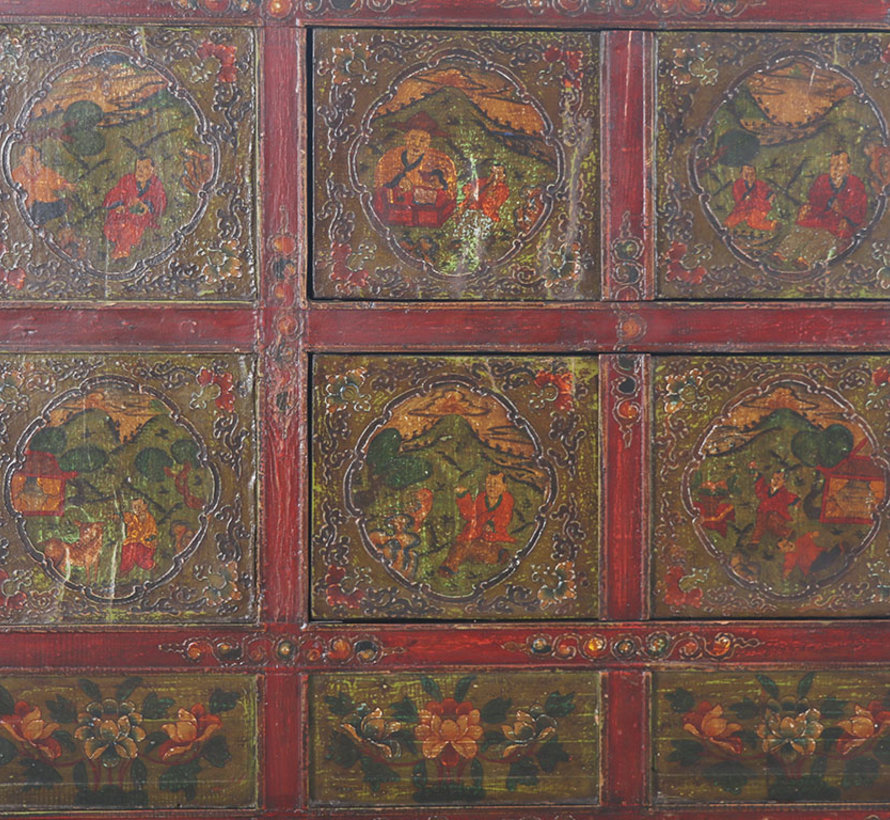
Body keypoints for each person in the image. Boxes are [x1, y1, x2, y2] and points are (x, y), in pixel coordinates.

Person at [774, 150, 867, 267]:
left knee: (824, 236)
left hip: (839, 223)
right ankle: (782, 253)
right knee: (802, 230)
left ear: (848, 167)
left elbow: (859, 210)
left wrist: (846, 216)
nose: (836, 169)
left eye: (840, 165)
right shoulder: (822, 180)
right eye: (833, 165)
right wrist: (807, 208)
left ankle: (804, 259)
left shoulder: (855, 184)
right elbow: (814, 200)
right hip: (820, 216)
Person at [372, 112, 457, 228]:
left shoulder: (441, 161)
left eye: (422, 140)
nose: (416, 144)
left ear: (428, 143)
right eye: (413, 138)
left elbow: (449, 195)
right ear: (405, 138)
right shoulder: (390, 158)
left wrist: (436, 186)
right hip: (395, 212)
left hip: (426, 214)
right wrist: (398, 180)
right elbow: (379, 184)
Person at [438, 472, 515, 577]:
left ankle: (499, 555)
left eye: (495, 483)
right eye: (488, 483)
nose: (491, 487)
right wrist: (463, 496)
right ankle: (449, 566)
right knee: (461, 547)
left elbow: (505, 518)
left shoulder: (507, 499)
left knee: (473, 548)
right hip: (476, 535)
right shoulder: (481, 498)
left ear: (504, 487)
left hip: (493, 538)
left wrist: (491, 524)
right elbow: (470, 515)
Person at [103, 156, 167, 260]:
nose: (140, 171)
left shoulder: (156, 184)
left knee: (132, 224)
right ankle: (120, 251)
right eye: (138, 167)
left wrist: (146, 205)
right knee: (120, 223)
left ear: (152, 170)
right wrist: (119, 205)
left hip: (142, 217)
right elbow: (116, 193)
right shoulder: (127, 179)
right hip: (123, 214)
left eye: (145, 167)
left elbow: (160, 201)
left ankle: (122, 251)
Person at [11, 146, 75, 226]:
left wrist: (66, 184)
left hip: (46, 204)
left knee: (66, 204)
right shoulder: (16, 174)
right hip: (27, 208)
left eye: (37, 160)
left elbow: (56, 180)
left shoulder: (44, 171)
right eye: (31, 159)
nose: (34, 162)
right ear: (22, 159)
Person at [750, 465, 799, 546]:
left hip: (777, 515)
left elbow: (789, 497)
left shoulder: (783, 493)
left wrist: (796, 501)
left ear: (784, 482)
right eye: (774, 479)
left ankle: (787, 532)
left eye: (778, 479)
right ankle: (755, 541)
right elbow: (759, 491)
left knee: (773, 524)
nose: (775, 481)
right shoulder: (766, 489)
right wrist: (758, 476)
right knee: (760, 524)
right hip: (763, 512)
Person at [724, 165, 777, 231]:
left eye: (752, 174)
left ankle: (773, 225)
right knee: (730, 221)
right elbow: (738, 197)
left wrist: (770, 196)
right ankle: (726, 229)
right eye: (746, 174)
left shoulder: (759, 184)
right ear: (741, 174)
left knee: (752, 221)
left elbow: (768, 193)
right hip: (742, 208)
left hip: (758, 208)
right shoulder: (738, 184)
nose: (749, 176)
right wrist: (744, 197)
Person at [119, 498, 158, 575]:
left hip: (146, 544)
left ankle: (153, 566)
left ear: (145, 506)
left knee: (141, 559)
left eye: (139, 506)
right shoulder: (133, 518)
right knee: (128, 549)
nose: (137, 509)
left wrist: (149, 539)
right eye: (135, 507)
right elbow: (125, 517)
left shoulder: (150, 519)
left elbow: (154, 533)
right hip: (133, 542)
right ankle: (125, 569)